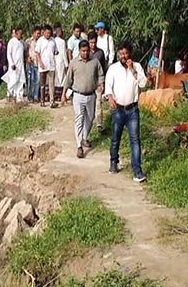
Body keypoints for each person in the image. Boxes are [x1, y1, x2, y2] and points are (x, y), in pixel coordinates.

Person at [104, 41, 148, 183]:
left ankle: (137, 171)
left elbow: (143, 84)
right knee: (116, 137)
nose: (124, 56)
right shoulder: (113, 68)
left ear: (130, 54)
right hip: (118, 109)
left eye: (126, 53)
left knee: (135, 140)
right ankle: (113, 162)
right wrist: (109, 96)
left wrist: (132, 70)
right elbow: (108, 85)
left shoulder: (137, 67)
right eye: (121, 53)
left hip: (133, 110)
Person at [62, 40, 104, 158]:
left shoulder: (95, 62)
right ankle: (79, 145)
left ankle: (85, 137)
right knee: (79, 119)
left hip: (91, 95)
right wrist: (63, 94)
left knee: (90, 118)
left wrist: (101, 84)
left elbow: (100, 74)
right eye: (83, 51)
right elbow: (68, 79)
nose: (85, 53)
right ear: (79, 51)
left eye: (87, 51)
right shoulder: (74, 63)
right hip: (78, 95)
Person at [35, 25, 58, 108]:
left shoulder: (53, 41)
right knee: (42, 84)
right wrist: (40, 62)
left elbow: (56, 51)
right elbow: (37, 52)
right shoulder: (40, 41)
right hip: (43, 65)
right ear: (43, 32)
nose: (48, 34)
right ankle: (42, 100)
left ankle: (52, 101)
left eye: (50, 33)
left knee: (51, 84)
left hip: (51, 65)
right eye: (47, 33)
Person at [88, 32, 107, 129]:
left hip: (98, 81)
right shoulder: (86, 53)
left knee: (99, 102)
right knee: (90, 103)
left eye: (94, 42)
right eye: (91, 42)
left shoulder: (101, 53)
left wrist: (103, 82)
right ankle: (89, 123)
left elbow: (104, 68)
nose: (93, 44)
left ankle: (99, 123)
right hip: (88, 82)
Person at [3, 27, 26, 102]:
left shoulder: (21, 42)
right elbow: (8, 54)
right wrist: (12, 63)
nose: (21, 35)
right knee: (13, 80)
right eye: (20, 33)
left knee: (21, 80)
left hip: (21, 65)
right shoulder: (11, 42)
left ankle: (19, 96)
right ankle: (9, 95)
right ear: (16, 34)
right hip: (14, 65)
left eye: (22, 33)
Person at [25, 26, 42, 102]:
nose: (38, 35)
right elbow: (25, 52)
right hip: (30, 64)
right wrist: (27, 57)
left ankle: (35, 96)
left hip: (38, 64)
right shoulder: (28, 41)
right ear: (33, 33)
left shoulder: (41, 41)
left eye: (39, 33)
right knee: (30, 80)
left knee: (37, 81)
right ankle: (30, 96)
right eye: (37, 33)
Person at [54, 26, 68, 91]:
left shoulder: (53, 40)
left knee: (56, 77)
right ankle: (60, 92)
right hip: (61, 60)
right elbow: (64, 53)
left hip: (54, 61)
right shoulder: (62, 41)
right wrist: (66, 64)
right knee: (61, 77)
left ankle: (56, 92)